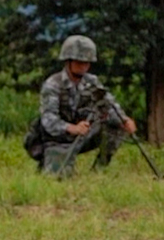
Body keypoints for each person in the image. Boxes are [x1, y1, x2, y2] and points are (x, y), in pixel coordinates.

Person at [26, 34, 136, 175]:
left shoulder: (92, 82)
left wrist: (124, 120)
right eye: (79, 62)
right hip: (57, 140)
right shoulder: (53, 84)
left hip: (83, 135)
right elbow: (48, 120)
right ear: (68, 61)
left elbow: (108, 104)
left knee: (115, 126)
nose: (84, 66)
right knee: (58, 179)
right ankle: (48, 162)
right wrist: (72, 128)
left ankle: (98, 172)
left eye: (87, 62)